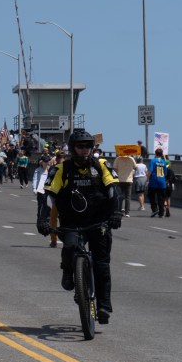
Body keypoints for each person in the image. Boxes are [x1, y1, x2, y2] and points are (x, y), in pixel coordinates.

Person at [39, 129, 121, 324]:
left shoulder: (101, 166)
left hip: (99, 222)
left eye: (88, 146)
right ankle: (69, 271)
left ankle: (103, 307)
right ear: (73, 149)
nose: (85, 150)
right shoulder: (61, 169)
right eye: (80, 146)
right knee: (69, 247)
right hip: (72, 222)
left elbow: (114, 190)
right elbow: (48, 196)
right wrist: (42, 219)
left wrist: (116, 213)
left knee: (102, 265)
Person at [147, 148, 170, 218]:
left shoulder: (153, 161)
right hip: (162, 182)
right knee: (161, 198)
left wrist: (147, 179)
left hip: (153, 181)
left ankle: (154, 209)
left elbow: (150, 171)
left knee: (151, 196)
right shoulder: (164, 162)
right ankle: (161, 212)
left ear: (155, 154)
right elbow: (165, 173)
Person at [113, 151, 136, 216]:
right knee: (128, 197)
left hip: (120, 179)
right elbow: (135, 167)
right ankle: (127, 212)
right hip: (129, 180)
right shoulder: (131, 159)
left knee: (120, 196)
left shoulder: (118, 158)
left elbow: (114, 168)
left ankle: (120, 210)